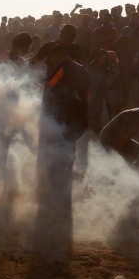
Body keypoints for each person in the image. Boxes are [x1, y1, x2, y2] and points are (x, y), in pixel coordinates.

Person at [34, 44, 89, 259]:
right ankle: (63, 202)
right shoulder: (84, 71)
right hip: (76, 121)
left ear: (58, 54)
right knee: (68, 158)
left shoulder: (62, 67)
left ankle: (50, 204)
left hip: (58, 120)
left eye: (52, 57)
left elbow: (48, 88)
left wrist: (43, 115)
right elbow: (86, 97)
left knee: (50, 161)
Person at [99, 94, 139, 165]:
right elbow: (122, 139)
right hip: (107, 139)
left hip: (122, 139)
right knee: (115, 158)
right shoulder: (133, 118)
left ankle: (131, 173)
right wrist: (114, 156)